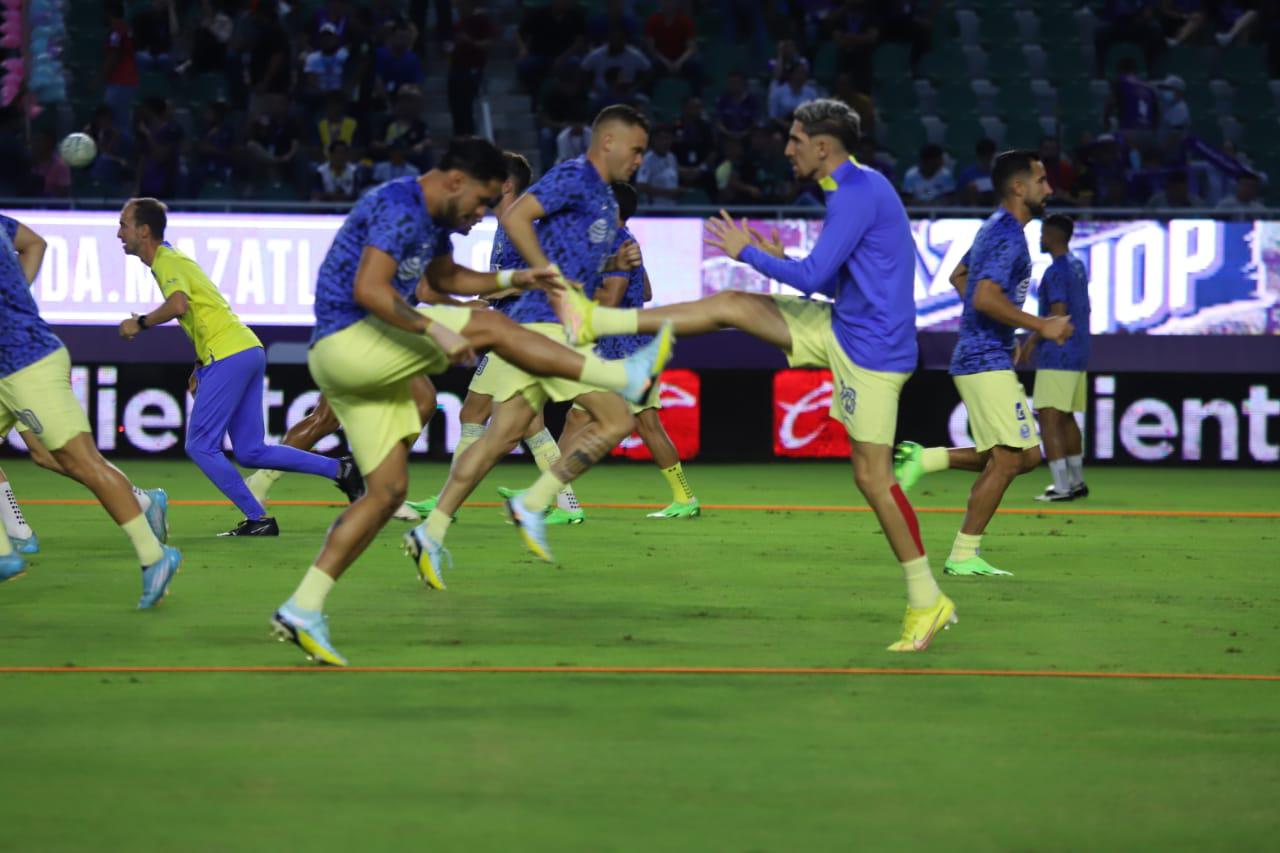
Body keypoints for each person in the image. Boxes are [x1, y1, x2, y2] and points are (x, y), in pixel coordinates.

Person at [555, 99, 956, 652]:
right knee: (732, 305)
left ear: (822, 146)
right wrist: (773, 257)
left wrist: (753, 254)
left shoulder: (856, 194)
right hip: (848, 326)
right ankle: (601, 318)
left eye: (794, 139)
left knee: (874, 479)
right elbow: (857, 281)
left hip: (873, 353)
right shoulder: (855, 188)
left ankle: (926, 598)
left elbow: (816, 277)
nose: (786, 148)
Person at [270, 136, 671, 665]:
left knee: (387, 492)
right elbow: (371, 288)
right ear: (455, 181)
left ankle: (303, 608)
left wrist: (516, 276)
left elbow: (443, 283)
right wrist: (435, 333)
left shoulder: (432, 218)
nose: (484, 215)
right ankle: (620, 374)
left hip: (366, 353)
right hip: (351, 341)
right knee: (490, 327)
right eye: (481, 202)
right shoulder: (398, 204)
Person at [405, 107, 673, 580]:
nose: (639, 161)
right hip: (540, 326)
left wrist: (618, 259)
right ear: (608, 142)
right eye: (636, 150)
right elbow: (518, 219)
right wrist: (552, 283)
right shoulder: (573, 176)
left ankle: (433, 530)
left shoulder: (604, 205)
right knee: (615, 418)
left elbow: (591, 272)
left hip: (540, 327)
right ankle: (533, 503)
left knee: (498, 438)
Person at [117, 198, 364, 536]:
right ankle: (340, 470)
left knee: (200, 446)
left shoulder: (165, 261)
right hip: (246, 349)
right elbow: (204, 311)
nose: (119, 233)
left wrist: (141, 323)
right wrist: (200, 363)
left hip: (229, 354)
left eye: (124, 225)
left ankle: (259, 519)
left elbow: (178, 305)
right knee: (250, 450)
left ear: (144, 231)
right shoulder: (173, 258)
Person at [894, 150, 1073, 577]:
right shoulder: (1007, 235)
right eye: (1042, 180)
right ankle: (963, 554)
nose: (1049, 188)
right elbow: (983, 295)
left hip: (984, 352)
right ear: (1019, 186)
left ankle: (926, 460)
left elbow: (961, 278)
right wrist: (1039, 326)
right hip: (981, 359)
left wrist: (996, 329)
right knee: (1011, 459)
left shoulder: (995, 230)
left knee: (1025, 456)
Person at [400, 152, 587, 526]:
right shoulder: (505, 225)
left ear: (504, 185)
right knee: (489, 415)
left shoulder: (522, 225)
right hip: (510, 328)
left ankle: (565, 504)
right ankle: (565, 504)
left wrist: (483, 300)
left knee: (519, 421)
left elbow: (535, 276)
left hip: (521, 330)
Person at [0, 213, 178, 603]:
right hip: (10, 361)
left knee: (81, 461)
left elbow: (34, 244)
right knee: (49, 458)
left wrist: (15, 308)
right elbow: (35, 243)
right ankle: (5, 553)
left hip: (25, 362)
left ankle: (154, 554)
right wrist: (18, 299)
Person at [560, 181, 700, 519]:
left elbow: (609, 299)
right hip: (626, 347)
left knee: (643, 425)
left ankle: (561, 502)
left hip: (619, 352)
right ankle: (561, 500)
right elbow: (647, 291)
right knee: (581, 418)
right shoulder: (629, 244)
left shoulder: (615, 243)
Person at [1017, 214, 1090, 502]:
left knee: (1048, 417)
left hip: (1058, 353)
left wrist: (1032, 339)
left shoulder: (1056, 271)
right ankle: (1077, 482)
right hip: (1079, 351)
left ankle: (1061, 487)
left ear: (1056, 236)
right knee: (1066, 417)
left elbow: (1058, 314)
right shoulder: (1078, 266)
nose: (1040, 238)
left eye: (1044, 234)